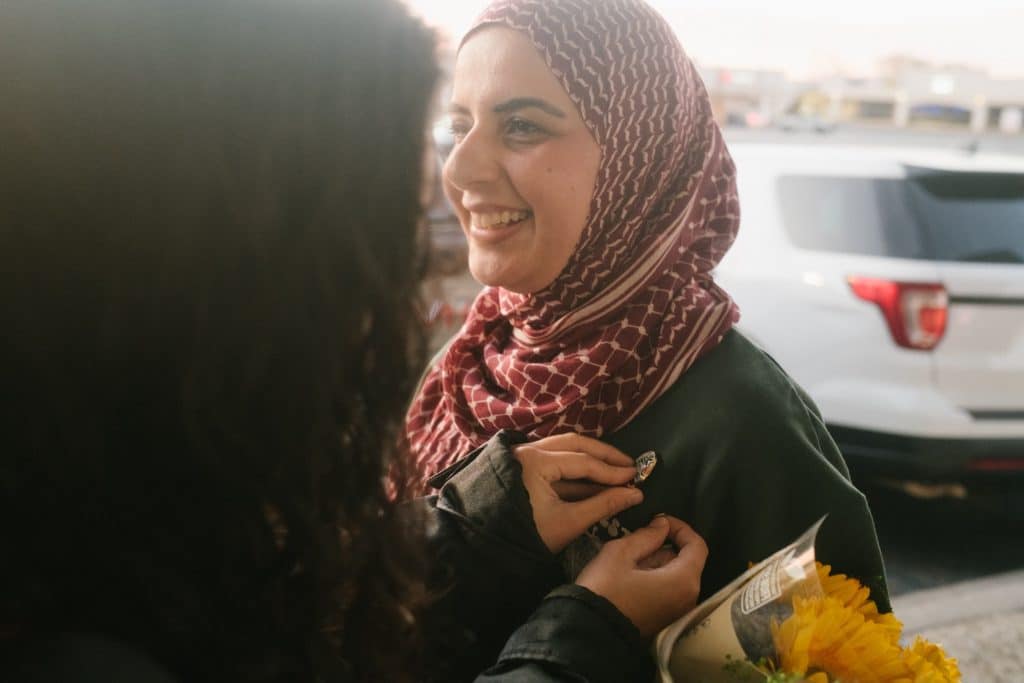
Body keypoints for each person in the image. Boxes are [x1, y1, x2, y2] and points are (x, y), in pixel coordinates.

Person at [0, 0, 707, 681]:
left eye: (521, 126)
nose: (457, 173)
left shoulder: (101, 500)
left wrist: (475, 530)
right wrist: (585, 638)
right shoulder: (69, 641)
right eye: (353, 264)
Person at [406, 0, 891, 611]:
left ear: (636, 155)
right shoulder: (467, 368)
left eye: (522, 126)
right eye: (458, 127)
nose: (460, 168)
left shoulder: (739, 418)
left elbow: (845, 649)